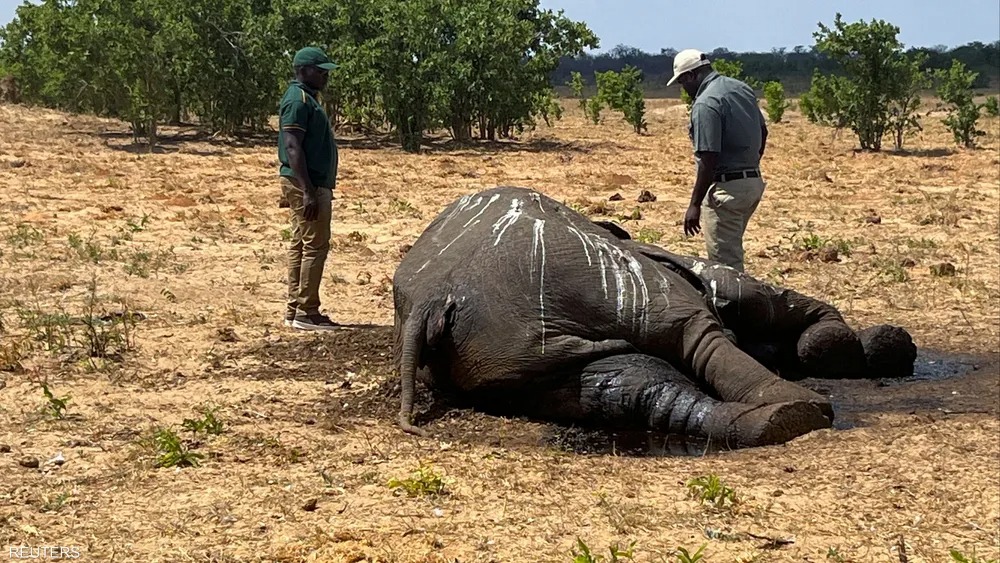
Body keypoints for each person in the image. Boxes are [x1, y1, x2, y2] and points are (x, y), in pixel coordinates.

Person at [667, 49, 768, 273]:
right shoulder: (741, 88)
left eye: (683, 82)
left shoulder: (705, 104)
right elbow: (763, 131)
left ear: (691, 76)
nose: (684, 89)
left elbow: (708, 158)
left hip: (727, 193)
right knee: (732, 250)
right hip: (752, 184)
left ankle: (738, 307)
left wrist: (694, 204)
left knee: (726, 269)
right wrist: (748, 164)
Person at [277, 46, 340, 330]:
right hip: (307, 183)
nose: (325, 76)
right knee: (315, 245)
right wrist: (308, 190)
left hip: (308, 182)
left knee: (301, 244)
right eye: (320, 70)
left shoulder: (307, 99)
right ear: (303, 71)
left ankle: (296, 309)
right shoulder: (298, 100)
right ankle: (307, 312)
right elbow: (292, 146)